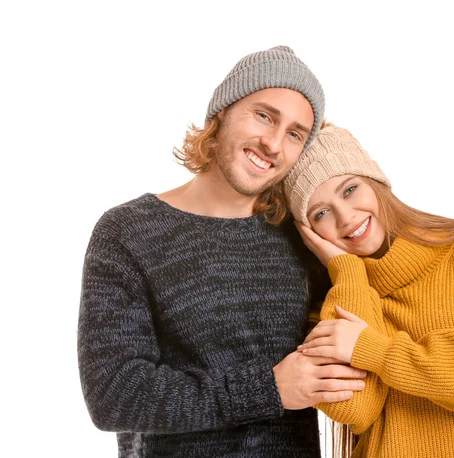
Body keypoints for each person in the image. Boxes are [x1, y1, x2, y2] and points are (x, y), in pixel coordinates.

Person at [77, 46, 368, 458]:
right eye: (264, 116)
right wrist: (268, 390)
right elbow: (113, 396)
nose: (273, 143)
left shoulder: (301, 235)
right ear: (223, 112)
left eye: (294, 134)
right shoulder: (129, 232)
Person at [283, 124, 454, 457]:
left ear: (375, 181)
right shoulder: (336, 304)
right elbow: (357, 409)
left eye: (350, 189)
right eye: (320, 213)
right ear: (310, 234)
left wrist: (375, 350)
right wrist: (349, 272)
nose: (346, 217)